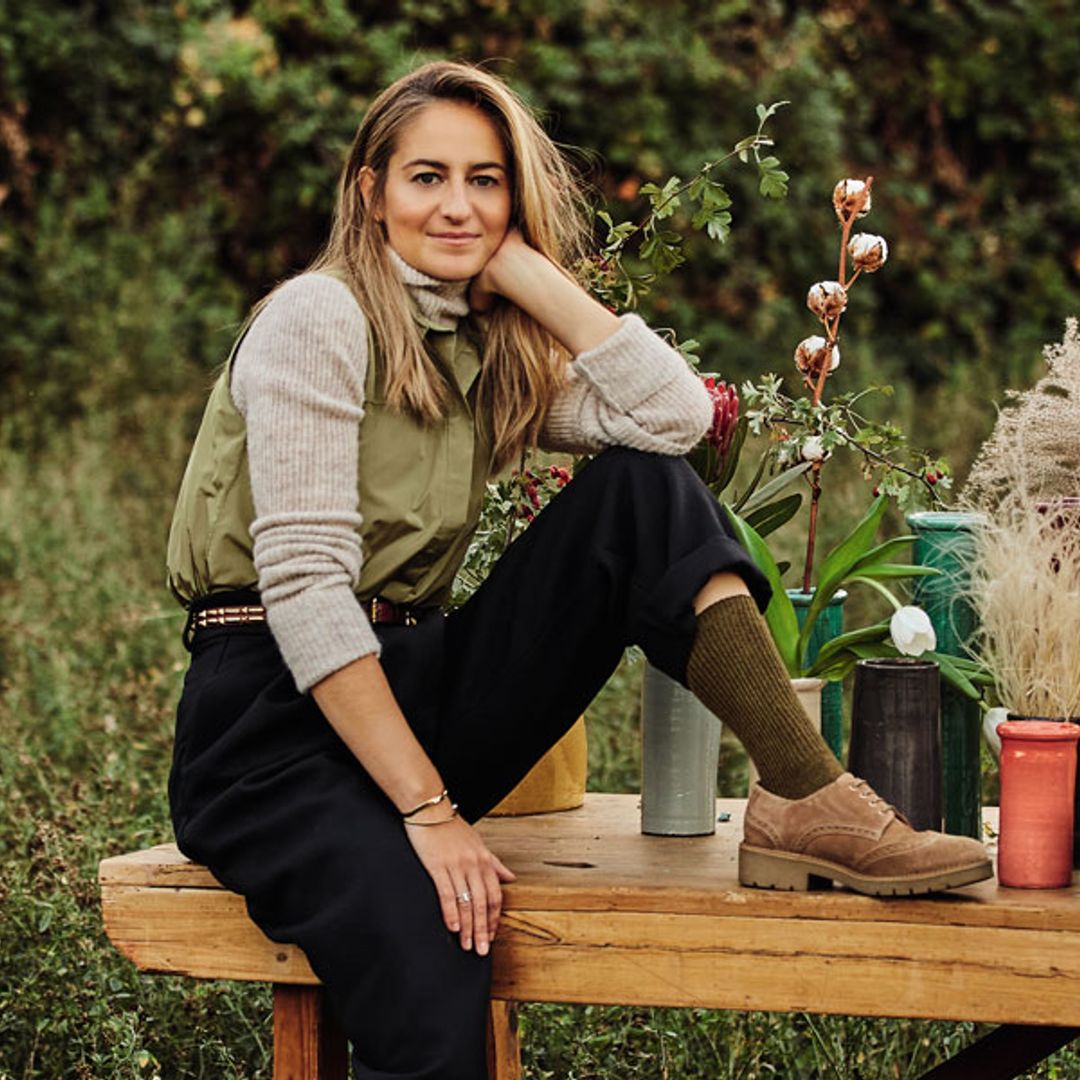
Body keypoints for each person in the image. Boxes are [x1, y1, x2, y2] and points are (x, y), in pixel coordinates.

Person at [165, 61, 991, 1079]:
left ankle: (805, 795)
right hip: (272, 732)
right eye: (427, 177)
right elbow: (301, 590)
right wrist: (432, 818)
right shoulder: (318, 319)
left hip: (415, 691)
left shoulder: (478, 342)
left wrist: (529, 277)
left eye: (486, 180)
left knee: (640, 494)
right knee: (436, 935)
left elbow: (677, 424)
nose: (457, 205)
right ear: (370, 192)